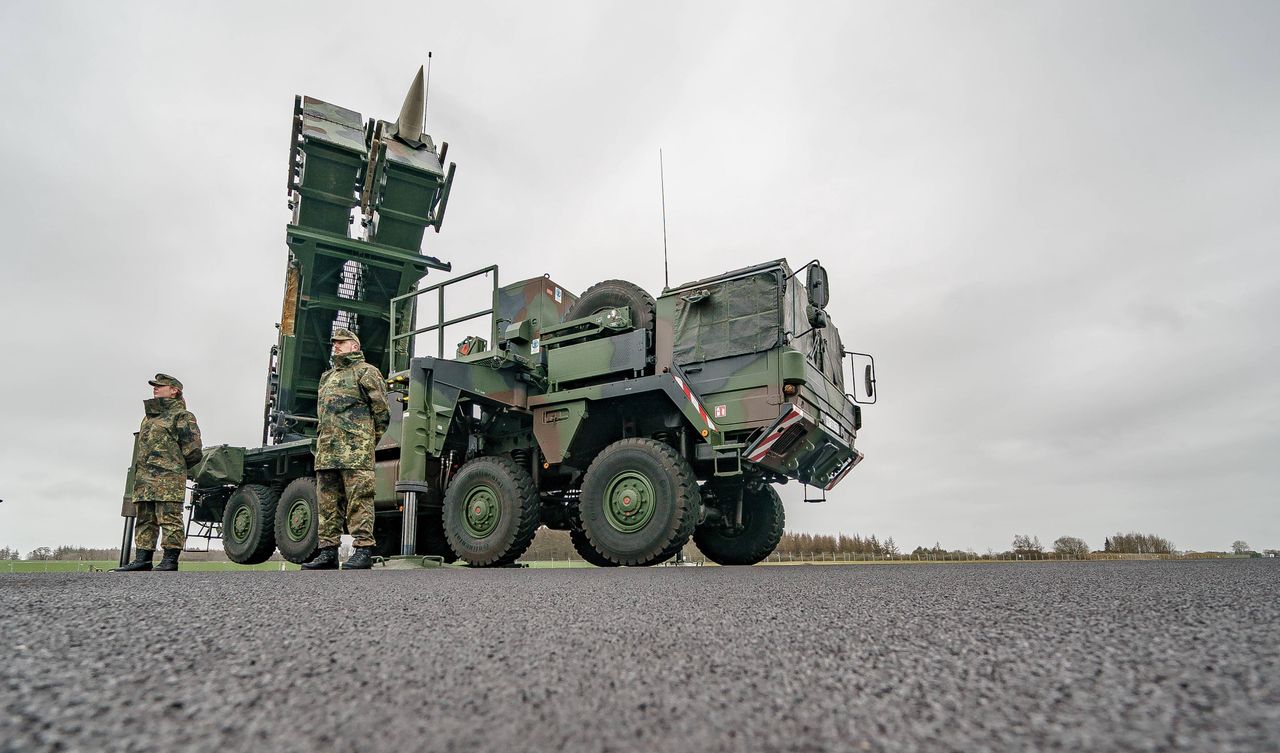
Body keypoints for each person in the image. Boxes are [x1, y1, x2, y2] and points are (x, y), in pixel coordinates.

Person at [302, 327, 389, 570]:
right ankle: (328, 551)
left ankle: (363, 550)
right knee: (327, 504)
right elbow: (322, 415)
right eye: (334, 343)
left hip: (356, 451)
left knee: (359, 500)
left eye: (342, 342)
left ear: (355, 346)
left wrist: (365, 441)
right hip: (327, 451)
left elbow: (382, 413)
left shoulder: (367, 372)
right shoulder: (326, 377)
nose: (336, 346)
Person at [115, 374, 202, 572]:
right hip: (145, 478)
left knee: (169, 517)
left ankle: (170, 560)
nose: (155, 388)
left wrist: (174, 466)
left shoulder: (182, 416)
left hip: (169, 477)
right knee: (145, 517)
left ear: (174, 390)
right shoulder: (147, 418)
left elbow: (194, 450)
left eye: (160, 386)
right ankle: (143, 559)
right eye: (155, 385)